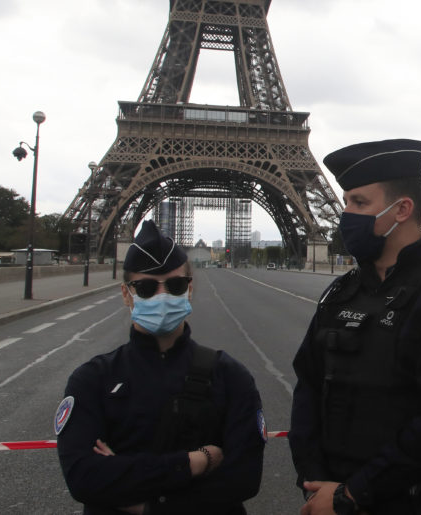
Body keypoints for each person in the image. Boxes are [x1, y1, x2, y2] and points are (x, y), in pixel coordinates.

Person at [289, 138, 421, 515]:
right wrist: (315, 483)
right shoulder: (342, 291)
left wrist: (353, 493)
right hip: (330, 499)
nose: (346, 215)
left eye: (359, 203)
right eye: (347, 202)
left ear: (402, 209)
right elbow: (307, 385)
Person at [56, 220, 265, 514]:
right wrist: (197, 462)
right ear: (126, 294)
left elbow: (244, 479)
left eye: (175, 285)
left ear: (189, 290)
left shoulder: (232, 376)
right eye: (146, 288)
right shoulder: (91, 380)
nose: (162, 295)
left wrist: (138, 497)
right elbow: (84, 479)